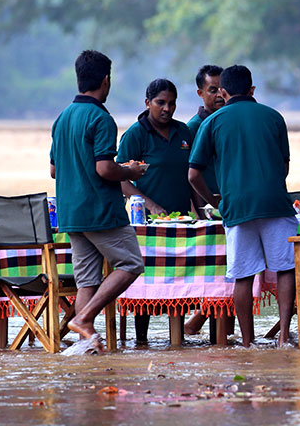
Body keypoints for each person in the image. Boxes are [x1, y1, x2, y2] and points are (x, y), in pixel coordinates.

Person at [188, 65, 297, 347]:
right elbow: (284, 165)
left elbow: (193, 174)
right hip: (275, 203)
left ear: (223, 92)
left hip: (236, 207)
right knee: (285, 268)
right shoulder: (274, 117)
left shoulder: (212, 122)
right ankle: (284, 337)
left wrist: (215, 201)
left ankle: (248, 343)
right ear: (252, 90)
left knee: (243, 276)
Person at [49, 50, 146, 353]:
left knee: (87, 280)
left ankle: (84, 346)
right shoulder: (101, 118)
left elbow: (54, 169)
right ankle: (85, 318)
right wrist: (130, 170)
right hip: (100, 211)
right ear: (106, 80)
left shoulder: (62, 118)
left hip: (71, 213)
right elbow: (104, 169)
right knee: (131, 263)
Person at [117, 78, 200, 217]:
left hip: (183, 219)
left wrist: (200, 214)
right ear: (148, 103)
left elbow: (193, 174)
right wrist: (151, 205)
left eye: (171, 103)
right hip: (149, 219)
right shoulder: (135, 134)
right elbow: (119, 179)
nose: (167, 109)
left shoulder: (184, 131)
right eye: (160, 103)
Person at [185, 65, 224, 213]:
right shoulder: (193, 127)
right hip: (209, 206)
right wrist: (199, 211)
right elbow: (190, 176)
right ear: (200, 93)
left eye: (222, 89)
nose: (220, 94)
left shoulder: (229, 124)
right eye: (213, 90)